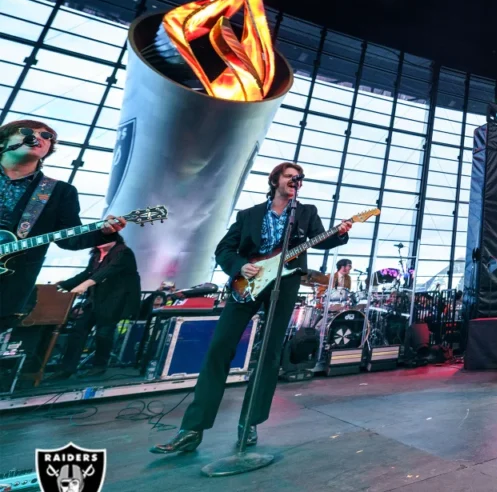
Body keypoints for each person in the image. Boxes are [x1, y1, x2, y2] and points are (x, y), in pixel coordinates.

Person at [152, 162, 352, 455]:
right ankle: (191, 430)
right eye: (288, 176)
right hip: (246, 285)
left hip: (284, 286)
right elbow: (224, 249)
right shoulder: (249, 215)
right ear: (275, 181)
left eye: (298, 178)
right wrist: (239, 267)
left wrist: (342, 232)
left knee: (270, 353)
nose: (295, 181)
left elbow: (321, 241)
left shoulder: (306, 213)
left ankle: (249, 424)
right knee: (220, 348)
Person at [0, 119, 125, 333]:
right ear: (3, 142)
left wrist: (103, 233)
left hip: (8, 291)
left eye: (47, 137)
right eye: (28, 131)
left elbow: (70, 239)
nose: (39, 137)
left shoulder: (58, 192)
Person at [51, 235, 140, 378]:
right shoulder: (96, 255)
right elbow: (86, 273)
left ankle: (99, 366)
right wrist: (62, 286)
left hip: (114, 301)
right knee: (78, 331)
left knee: (103, 333)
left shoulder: (124, 252)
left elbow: (108, 271)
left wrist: (85, 285)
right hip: (94, 300)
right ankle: (67, 368)